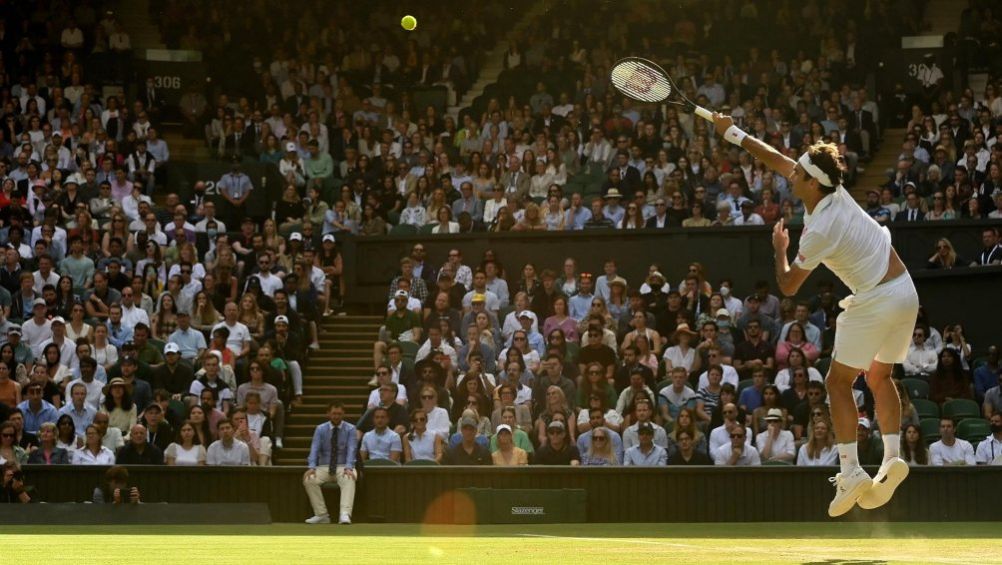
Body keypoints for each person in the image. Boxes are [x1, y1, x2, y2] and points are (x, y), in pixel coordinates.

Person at [714, 114, 919, 515]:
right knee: (879, 376)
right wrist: (733, 133)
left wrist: (779, 247)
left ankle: (851, 471)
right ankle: (893, 457)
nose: (791, 176)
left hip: (875, 298)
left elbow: (788, 286)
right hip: (906, 291)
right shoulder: (831, 188)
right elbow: (774, 158)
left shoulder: (820, 228)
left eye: (798, 174)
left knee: (837, 381)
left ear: (812, 182)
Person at [304, 402, 358, 525]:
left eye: (339, 414)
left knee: (349, 477)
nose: (336, 416)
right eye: (334, 413)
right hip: (324, 466)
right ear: (328, 414)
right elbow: (314, 448)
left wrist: (349, 467)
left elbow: (352, 449)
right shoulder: (320, 429)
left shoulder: (350, 429)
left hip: (343, 465)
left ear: (343, 414)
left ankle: (344, 514)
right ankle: (321, 514)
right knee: (309, 479)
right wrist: (312, 467)